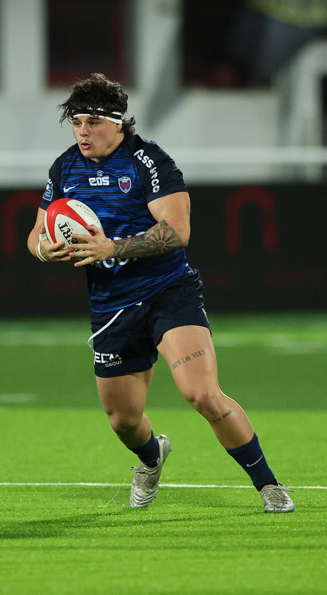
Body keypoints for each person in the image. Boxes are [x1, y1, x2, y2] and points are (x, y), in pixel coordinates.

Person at [27, 73, 294, 513]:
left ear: (118, 123)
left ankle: (269, 486)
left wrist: (113, 247)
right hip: (111, 306)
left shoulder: (148, 162)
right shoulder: (65, 167)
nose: (82, 131)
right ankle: (152, 458)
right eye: (76, 121)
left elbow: (178, 230)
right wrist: (45, 251)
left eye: (92, 121)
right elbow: (35, 235)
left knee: (202, 393)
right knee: (124, 422)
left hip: (167, 291)